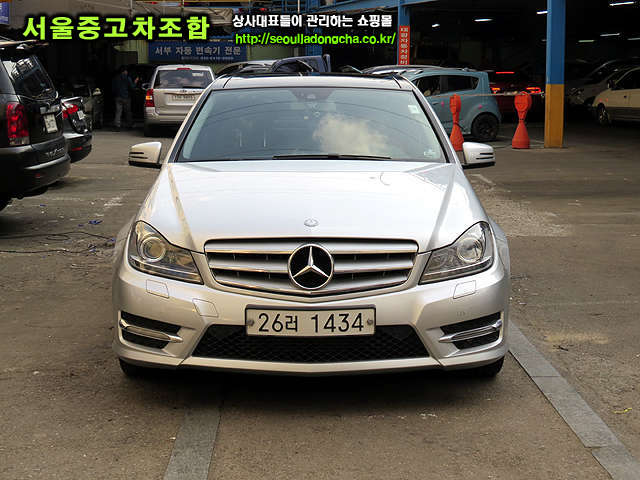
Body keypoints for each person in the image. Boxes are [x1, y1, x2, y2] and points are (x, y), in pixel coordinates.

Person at [111, 66, 139, 131]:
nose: (127, 72)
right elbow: (132, 87)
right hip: (126, 97)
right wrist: (135, 81)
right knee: (128, 112)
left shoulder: (115, 78)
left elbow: (113, 88)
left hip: (118, 97)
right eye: (126, 71)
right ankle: (129, 125)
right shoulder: (127, 78)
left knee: (118, 112)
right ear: (124, 71)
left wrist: (115, 95)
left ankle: (117, 126)